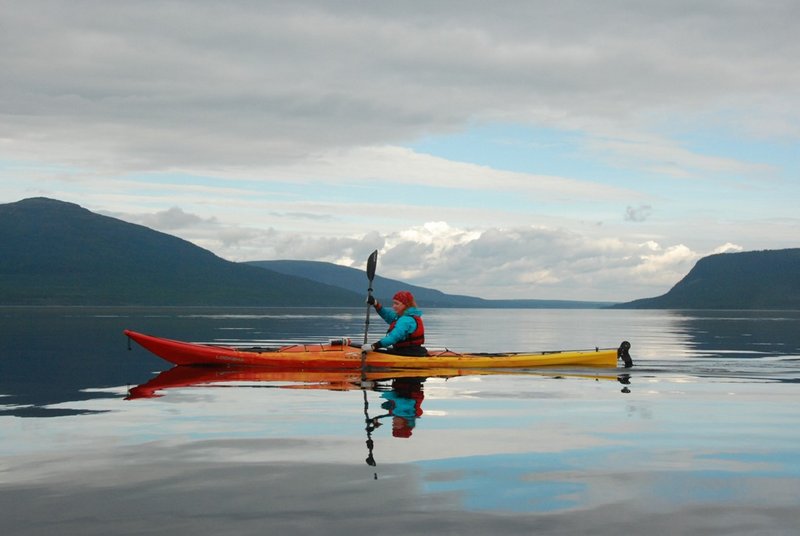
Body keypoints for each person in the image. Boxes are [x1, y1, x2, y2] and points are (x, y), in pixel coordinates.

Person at [361, 290, 427, 356]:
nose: (393, 306)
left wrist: (374, 346)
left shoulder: (406, 320)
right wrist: (375, 304)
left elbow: (393, 338)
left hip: (410, 353)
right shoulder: (400, 316)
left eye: (397, 304)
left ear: (406, 305)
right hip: (406, 351)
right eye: (393, 303)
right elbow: (387, 315)